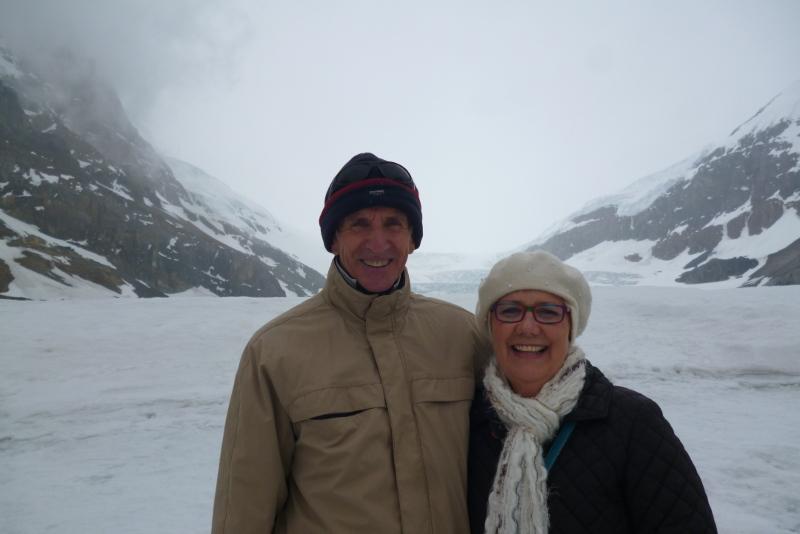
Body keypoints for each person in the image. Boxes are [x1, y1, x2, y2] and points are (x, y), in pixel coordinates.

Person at [212, 153, 488, 534]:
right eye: (359, 224)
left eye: (393, 223)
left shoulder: (463, 335)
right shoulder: (274, 353)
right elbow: (244, 507)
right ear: (334, 238)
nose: (378, 242)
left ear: (412, 239)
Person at [468, 251, 717, 534]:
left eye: (548, 312)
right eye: (510, 310)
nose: (528, 327)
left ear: (571, 327)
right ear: (491, 325)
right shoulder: (467, 420)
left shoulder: (633, 423)